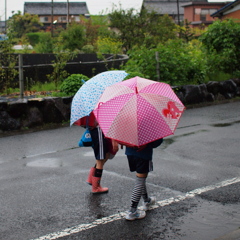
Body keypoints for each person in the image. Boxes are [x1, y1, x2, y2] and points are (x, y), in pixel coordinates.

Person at [124, 138, 163, 220]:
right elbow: (157, 142)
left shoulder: (129, 126)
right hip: (143, 154)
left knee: (140, 179)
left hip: (130, 153)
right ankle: (132, 211)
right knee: (140, 180)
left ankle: (146, 200)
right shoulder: (148, 126)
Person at [84, 112, 119, 194]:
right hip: (98, 131)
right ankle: (96, 187)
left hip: (97, 130)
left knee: (105, 155)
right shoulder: (98, 105)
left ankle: (91, 178)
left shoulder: (91, 105)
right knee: (101, 158)